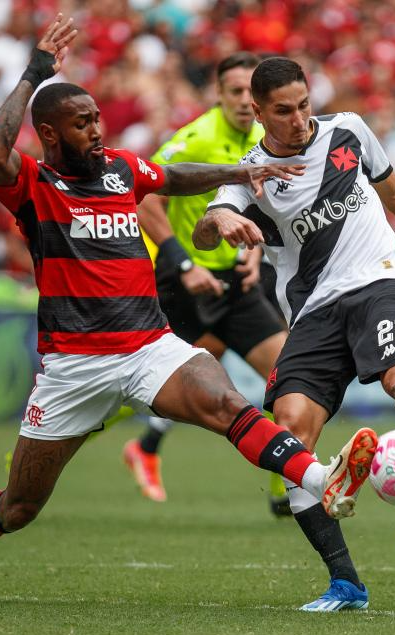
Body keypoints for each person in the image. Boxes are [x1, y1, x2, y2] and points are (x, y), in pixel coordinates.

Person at [0, 15, 379, 602]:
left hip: (148, 346)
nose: (96, 130)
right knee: (22, 505)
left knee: (224, 401)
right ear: (50, 134)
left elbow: (174, 177)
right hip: (73, 367)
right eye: (81, 124)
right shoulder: (34, 184)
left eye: (96, 118)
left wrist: (244, 171)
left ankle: (324, 479)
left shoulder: (119, 168)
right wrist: (36, 71)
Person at [194, 58, 395, 612]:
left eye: (303, 104)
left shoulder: (347, 129)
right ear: (258, 111)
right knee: (290, 436)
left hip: (378, 281)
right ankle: (346, 584)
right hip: (313, 312)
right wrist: (219, 223)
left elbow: (394, 191)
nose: (300, 119)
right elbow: (208, 232)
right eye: (284, 111)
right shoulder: (249, 173)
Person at [121, 51, 288, 504]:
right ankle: (89, 439)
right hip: (185, 285)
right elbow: (145, 198)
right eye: (233, 91)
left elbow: (264, 209)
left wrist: (260, 254)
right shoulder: (194, 139)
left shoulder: (264, 138)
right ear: (218, 94)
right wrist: (184, 264)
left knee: (288, 374)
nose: (241, 101)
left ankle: (285, 490)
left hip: (237, 284)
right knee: (133, 385)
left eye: (248, 92)